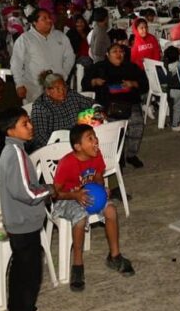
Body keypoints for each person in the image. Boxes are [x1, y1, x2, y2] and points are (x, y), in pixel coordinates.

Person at [52, 123, 137, 292]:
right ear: (78, 146)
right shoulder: (67, 163)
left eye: (95, 137)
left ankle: (114, 256)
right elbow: (56, 193)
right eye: (90, 138)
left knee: (111, 210)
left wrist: (101, 187)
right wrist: (75, 195)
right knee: (81, 218)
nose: (96, 141)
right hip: (67, 199)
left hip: (91, 195)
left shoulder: (96, 156)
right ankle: (77, 264)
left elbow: (98, 176)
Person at [0, 107, 58, 311]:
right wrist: (49, 189)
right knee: (31, 274)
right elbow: (27, 192)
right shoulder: (15, 154)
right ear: (10, 131)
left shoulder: (14, 151)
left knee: (19, 269)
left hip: (19, 221)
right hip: (24, 223)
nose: (31, 126)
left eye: (29, 121)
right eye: (25, 124)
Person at [82, 43, 150, 166]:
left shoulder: (131, 67)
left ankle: (131, 155)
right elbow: (84, 83)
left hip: (129, 102)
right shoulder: (99, 67)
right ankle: (117, 156)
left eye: (121, 51)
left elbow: (144, 84)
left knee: (137, 124)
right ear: (107, 54)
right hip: (106, 103)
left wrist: (133, 84)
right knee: (112, 129)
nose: (119, 54)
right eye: (115, 51)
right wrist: (95, 81)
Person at [10, 9, 76, 102]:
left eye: (49, 17)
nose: (49, 20)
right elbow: (16, 63)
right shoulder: (25, 39)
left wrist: (64, 74)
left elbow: (70, 57)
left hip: (57, 88)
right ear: (34, 22)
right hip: (34, 88)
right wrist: (19, 84)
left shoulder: (61, 36)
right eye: (44, 18)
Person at [31, 71, 95, 151]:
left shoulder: (71, 94)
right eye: (58, 89)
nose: (62, 91)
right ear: (48, 91)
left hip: (76, 140)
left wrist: (97, 109)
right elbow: (40, 135)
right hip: (54, 147)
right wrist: (59, 148)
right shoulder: (40, 107)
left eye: (64, 87)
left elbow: (90, 103)